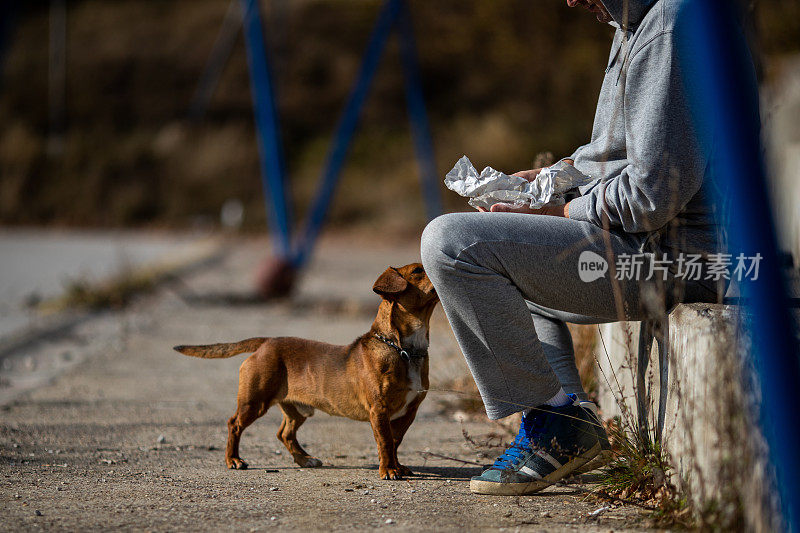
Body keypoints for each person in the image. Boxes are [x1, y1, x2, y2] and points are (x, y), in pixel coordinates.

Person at [421, 0, 725, 495]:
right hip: (645, 244)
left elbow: (653, 193)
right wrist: (548, 179)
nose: (570, 1)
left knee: (452, 245)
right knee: (499, 249)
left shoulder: (669, 29)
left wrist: (559, 213)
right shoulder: (636, 23)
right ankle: (564, 419)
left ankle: (558, 426)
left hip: (677, 258)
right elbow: (615, 156)